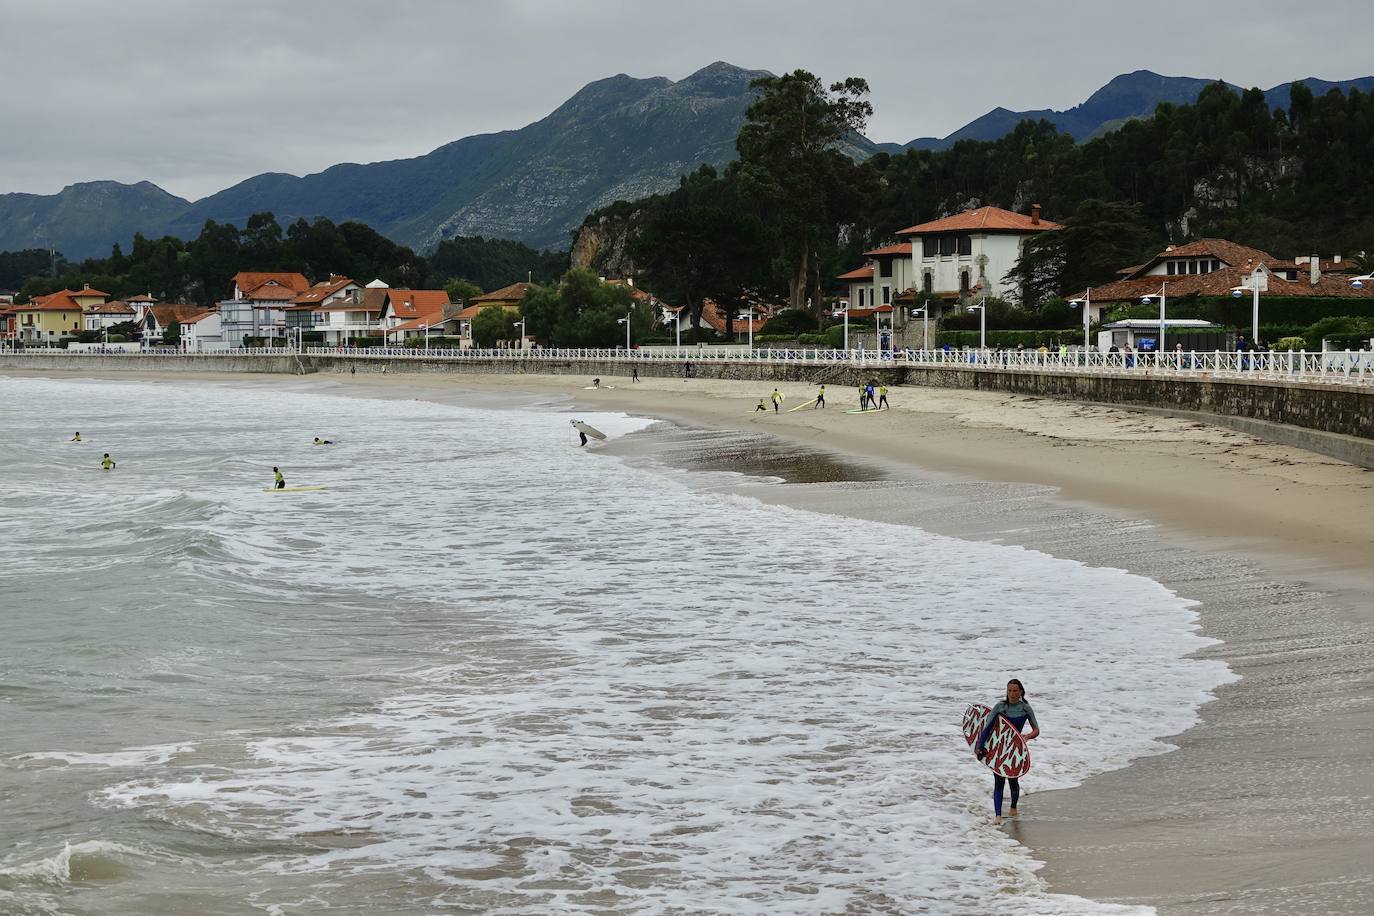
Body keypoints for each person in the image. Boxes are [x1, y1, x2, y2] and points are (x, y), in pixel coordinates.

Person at [974, 678, 1040, 826]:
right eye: (1009, 690)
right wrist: (980, 747)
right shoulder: (1000, 707)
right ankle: (998, 816)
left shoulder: (1025, 709)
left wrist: (1028, 736)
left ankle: (1013, 808)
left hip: (1015, 750)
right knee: (998, 781)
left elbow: (1037, 730)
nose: (1011, 694)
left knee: (1013, 780)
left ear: (1021, 692)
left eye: (1015, 690)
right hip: (998, 749)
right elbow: (986, 729)